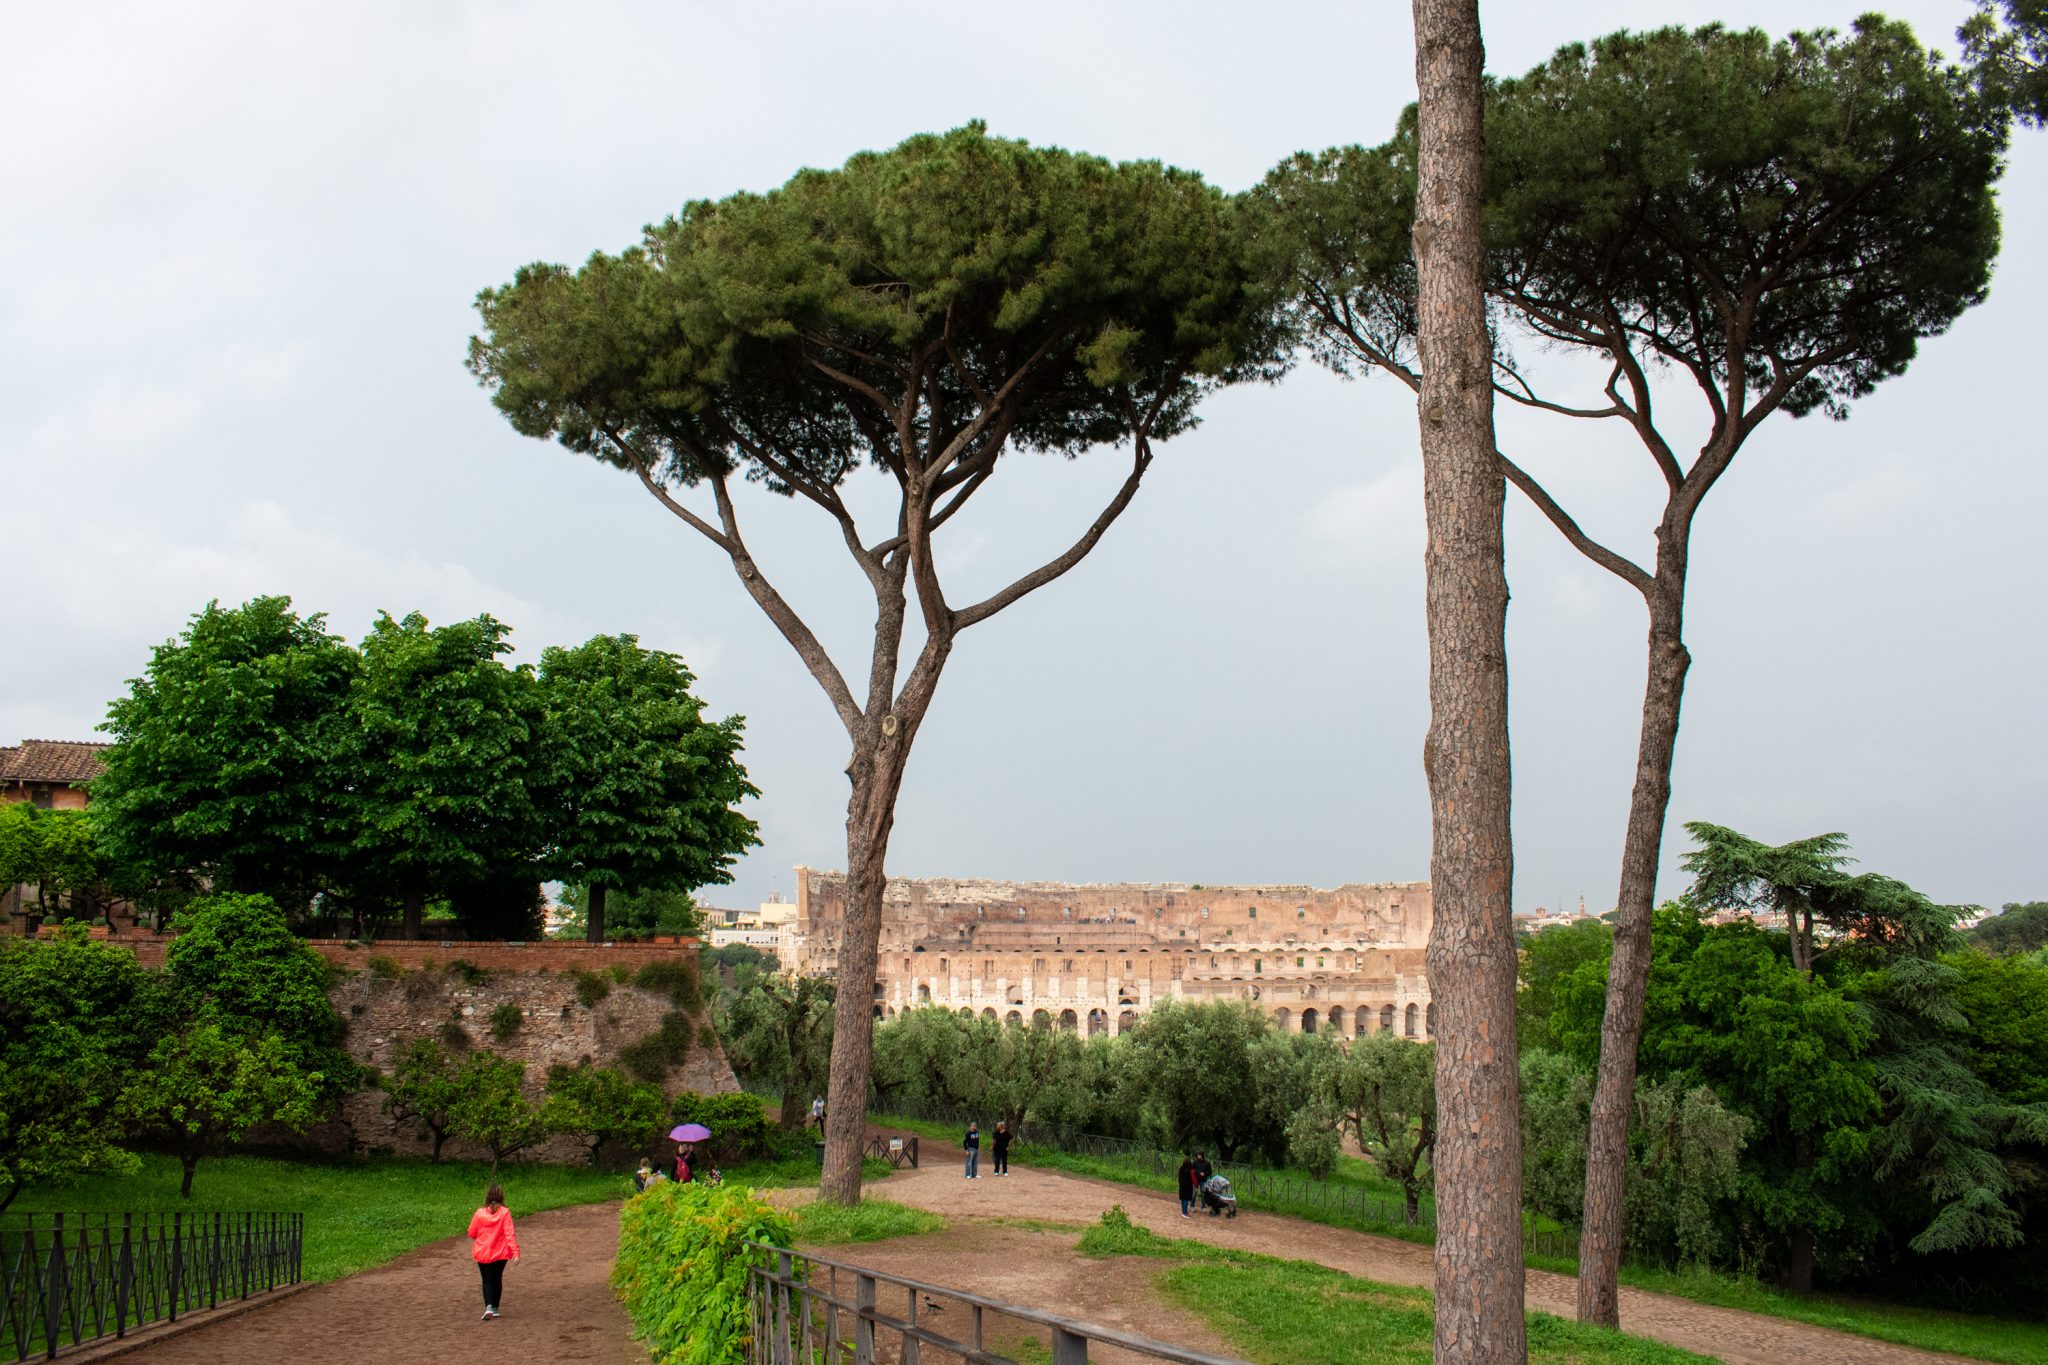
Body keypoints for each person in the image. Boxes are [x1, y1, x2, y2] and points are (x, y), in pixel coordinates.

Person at [467, 1183, 520, 1321]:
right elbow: (509, 1233)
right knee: (497, 1278)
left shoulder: (479, 1213)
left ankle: (489, 1306)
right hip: (501, 1253)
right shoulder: (505, 1212)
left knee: (487, 1280)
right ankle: (495, 1307)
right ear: (501, 1196)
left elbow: (471, 1233)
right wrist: (515, 1252)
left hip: (483, 1252)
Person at [1176, 1153, 1197, 1218]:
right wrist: (1196, 1186)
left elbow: (1178, 1177)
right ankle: (1184, 1213)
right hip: (1188, 1187)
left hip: (1182, 1186)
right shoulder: (1191, 1171)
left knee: (1183, 1199)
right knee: (1186, 1200)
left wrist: (1179, 1183)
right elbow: (1194, 1179)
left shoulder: (1180, 1169)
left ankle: (1184, 1211)